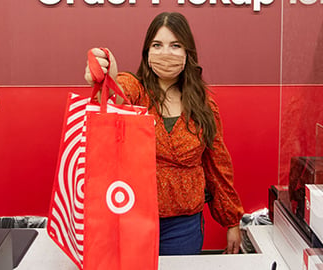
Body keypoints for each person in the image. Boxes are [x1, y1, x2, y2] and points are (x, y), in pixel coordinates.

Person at [84, 12, 244, 255]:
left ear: (187, 54)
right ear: (147, 53)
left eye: (175, 45)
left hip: (184, 225)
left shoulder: (204, 106)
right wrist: (105, 78)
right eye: (157, 45)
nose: (165, 53)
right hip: (132, 218)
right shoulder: (135, 90)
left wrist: (232, 221)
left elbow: (218, 165)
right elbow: (117, 97)